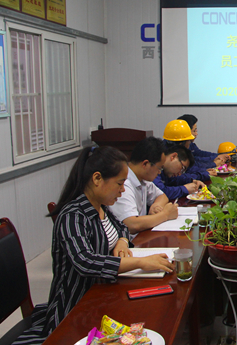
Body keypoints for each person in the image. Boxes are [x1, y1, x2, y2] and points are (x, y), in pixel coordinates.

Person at [14, 147, 173, 344]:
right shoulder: (73, 216)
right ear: (97, 179)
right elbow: (86, 261)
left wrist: (122, 241)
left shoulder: (101, 207)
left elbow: (122, 227)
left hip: (101, 294)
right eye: (119, 183)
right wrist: (141, 262)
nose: (123, 190)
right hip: (75, 308)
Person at [109, 137, 179, 238]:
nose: (159, 172)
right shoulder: (124, 184)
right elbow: (131, 224)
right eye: (159, 168)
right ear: (145, 164)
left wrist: (156, 206)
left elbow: (162, 196)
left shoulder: (143, 179)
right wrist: (165, 215)